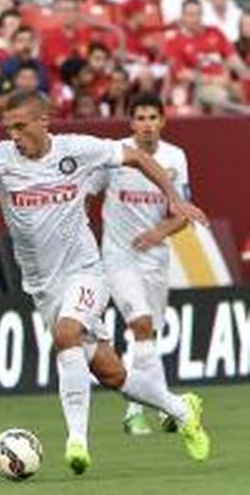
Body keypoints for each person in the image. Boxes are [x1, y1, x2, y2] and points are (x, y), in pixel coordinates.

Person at [0, 90, 210, 475]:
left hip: (85, 270)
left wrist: (173, 198)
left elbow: (137, 157)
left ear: (44, 121)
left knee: (66, 333)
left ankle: (77, 442)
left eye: (20, 126)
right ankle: (180, 408)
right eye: (9, 128)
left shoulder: (77, 149)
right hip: (43, 285)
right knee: (111, 372)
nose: (14, 135)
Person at [87, 93, 193, 436]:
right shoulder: (116, 154)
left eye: (153, 118)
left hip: (156, 258)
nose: (147, 124)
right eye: (140, 118)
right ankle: (166, 411)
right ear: (131, 123)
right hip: (119, 257)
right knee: (142, 325)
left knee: (147, 336)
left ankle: (141, 408)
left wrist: (159, 230)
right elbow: (88, 192)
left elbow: (183, 212)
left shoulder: (175, 156)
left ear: (163, 120)